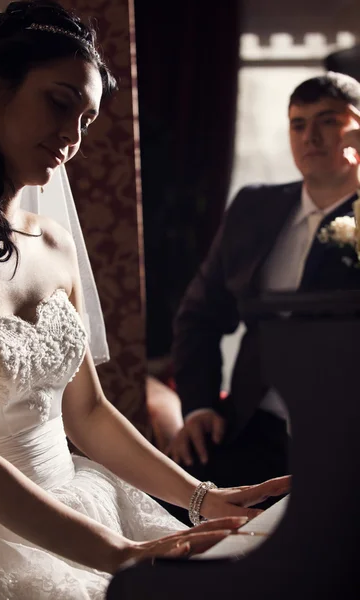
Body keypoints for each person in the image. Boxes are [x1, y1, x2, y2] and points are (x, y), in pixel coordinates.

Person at [0, 2, 290, 598]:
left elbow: (85, 413)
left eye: (86, 119)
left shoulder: (55, 246)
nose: (72, 136)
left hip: (85, 500)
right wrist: (115, 553)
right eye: (59, 102)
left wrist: (199, 495)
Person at [169, 71, 360, 499]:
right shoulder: (254, 207)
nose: (311, 135)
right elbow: (199, 315)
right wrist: (199, 405)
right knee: (183, 510)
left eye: (328, 120)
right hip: (254, 422)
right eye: (298, 123)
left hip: (347, 429)